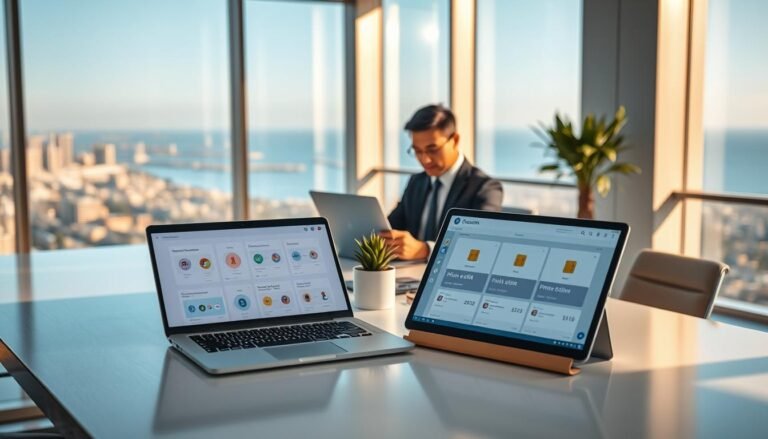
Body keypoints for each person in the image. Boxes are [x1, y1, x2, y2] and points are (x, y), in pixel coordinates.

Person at [381, 104, 503, 260]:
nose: (425, 159)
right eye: (417, 151)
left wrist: (426, 250)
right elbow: (392, 227)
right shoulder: (416, 182)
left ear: (455, 140)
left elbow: (479, 245)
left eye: (432, 149)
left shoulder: (485, 188)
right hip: (408, 272)